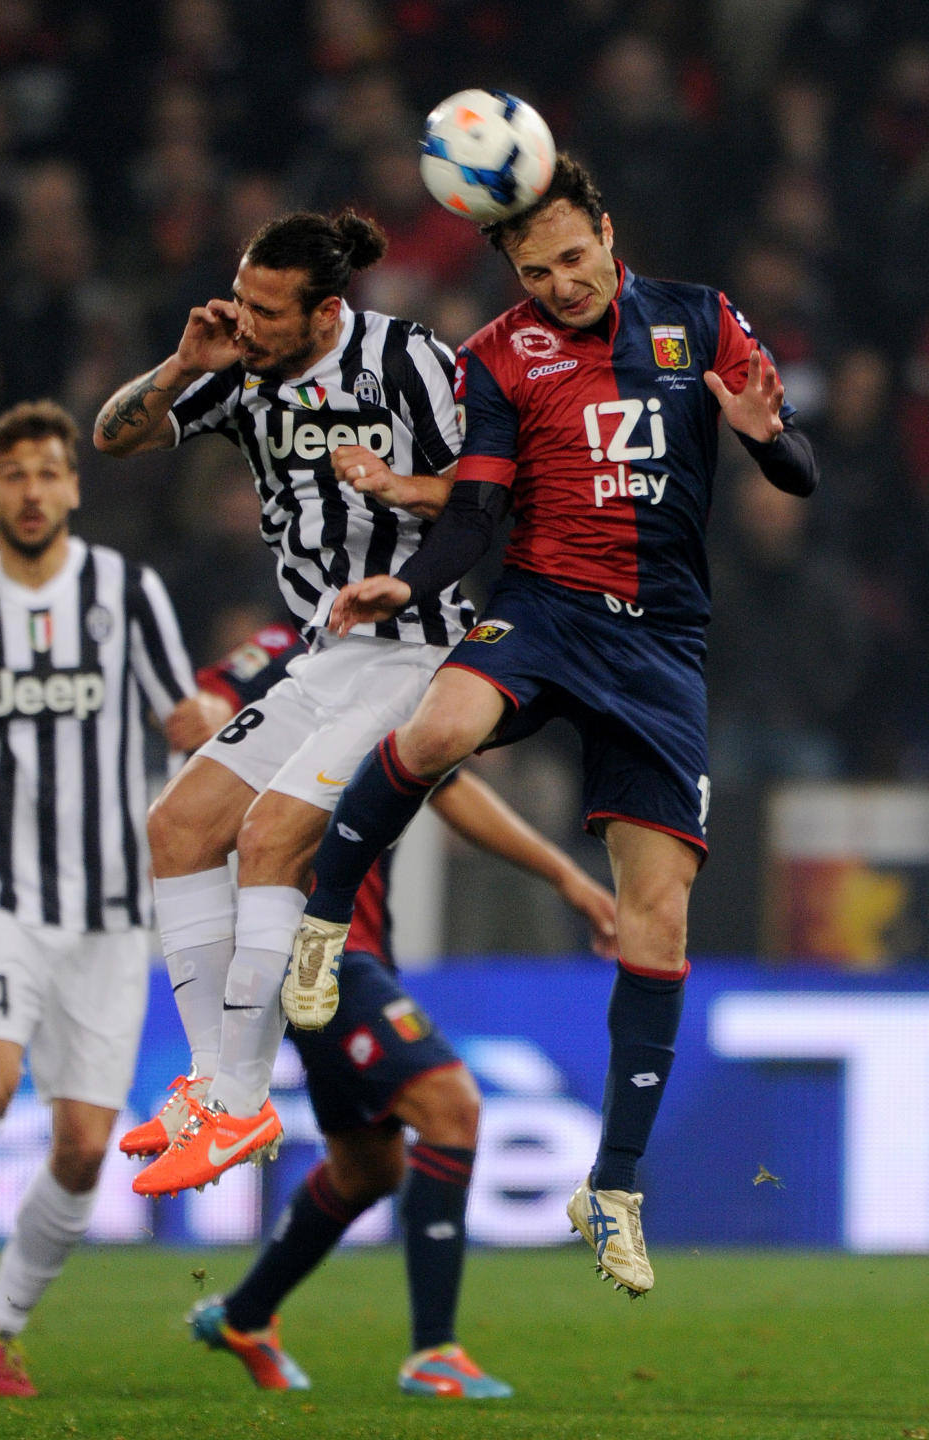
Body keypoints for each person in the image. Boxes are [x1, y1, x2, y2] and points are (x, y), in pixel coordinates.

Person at [284, 155, 820, 1297]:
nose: (564, 283)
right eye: (538, 270)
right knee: (435, 732)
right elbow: (478, 509)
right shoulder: (498, 355)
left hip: (663, 649)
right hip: (544, 610)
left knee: (659, 923)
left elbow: (800, 471)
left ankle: (611, 1189)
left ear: (608, 233)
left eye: (575, 257)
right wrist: (407, 585)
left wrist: (767, 436)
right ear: (514, 273)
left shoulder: (699, 318)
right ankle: (323, 926)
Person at [92, 209, 475, 1196]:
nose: (249, 322)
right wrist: (182, 367)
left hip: (416, 652)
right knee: (177, 826)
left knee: (270, 837)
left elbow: (486, 501)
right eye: (244, 299)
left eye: (270, 311)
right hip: (323, 654)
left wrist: (400, 514)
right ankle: (212, 1080)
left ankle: (240, 1098)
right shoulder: (233, 365)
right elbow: (112, 437)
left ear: (325, 309)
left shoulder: (407, 362)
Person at [131, 624, 618, 1398]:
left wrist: (570, 881)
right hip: (312, 950)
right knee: (450, 1107)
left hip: (356, 946)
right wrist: (200, 708)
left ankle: (244, 1315)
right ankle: (434, 1351)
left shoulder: (399, 669)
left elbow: (453, 791)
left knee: (368, 1168)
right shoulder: (299, 658)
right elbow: (213, 698)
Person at [0, 400, 196, 1398]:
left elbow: (183, 720)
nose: (31, 491)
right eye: (12, 475)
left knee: (83, 1146)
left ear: (73, 485)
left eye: (48, 473)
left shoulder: (125, 590)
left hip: (111, 912)